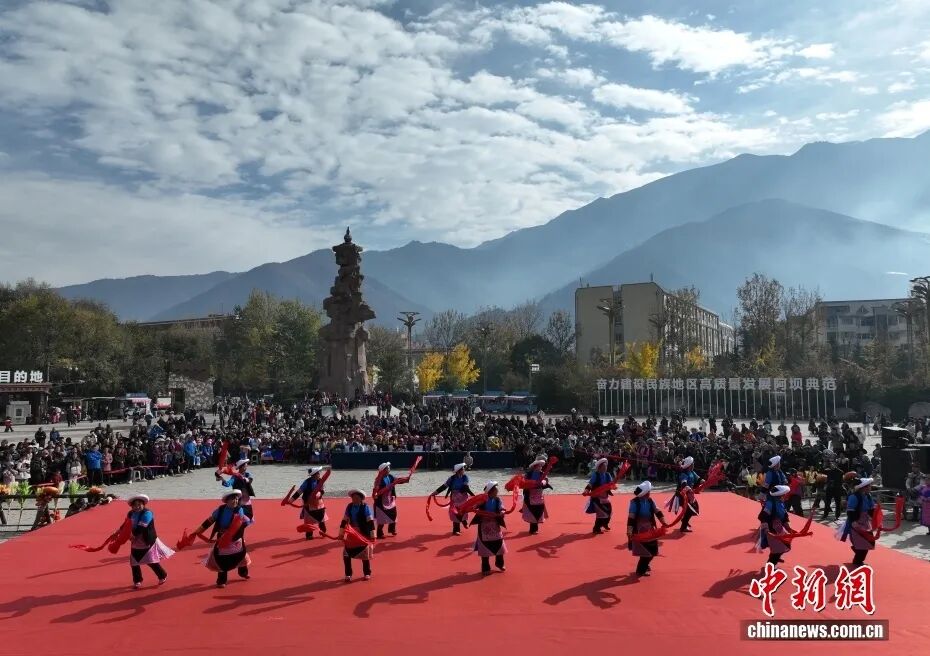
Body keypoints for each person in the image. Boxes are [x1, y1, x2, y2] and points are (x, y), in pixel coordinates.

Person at [197, 490, 252, 588]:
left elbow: (242, 523)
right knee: (221, 560)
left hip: (235, 538)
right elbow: (209, 521)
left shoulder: (239, 510)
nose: (235, 501)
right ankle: (221, 580)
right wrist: (199, 530)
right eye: (232, 499)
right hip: (222, 539)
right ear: (227, 501)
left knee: (241, 555)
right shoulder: (220, 510)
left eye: (236, 499)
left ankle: (243, 572)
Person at [125, 493, 172, 589]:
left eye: (139, 504)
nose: (137, 507)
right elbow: (125, 525)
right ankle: (137, 580)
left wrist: (132, 535)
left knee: (151, 561)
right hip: (135, 542)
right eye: (135, 505)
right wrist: (118, 532)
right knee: (134, 562)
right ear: (132, 506)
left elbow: (142, 526)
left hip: (147, 540)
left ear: (143, 504)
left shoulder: (147, 513)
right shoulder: (130, 514)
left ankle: (162, 575)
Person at [626, 481, 666, 577]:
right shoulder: (634, 503)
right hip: (639, 531)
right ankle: (640, 570)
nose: (649, 493)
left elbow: (657, 511)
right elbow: (631, 518)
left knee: (653, 550)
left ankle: (645, 564)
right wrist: (629, 531)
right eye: (648, 492)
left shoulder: (650, 501)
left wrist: (663, 522)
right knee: (645, 552)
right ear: (644, 493)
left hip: (650, 529)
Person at [840, 477, 876, 567]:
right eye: (869, 486)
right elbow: (850, 511)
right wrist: (853, 522)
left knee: (869, 542)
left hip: (865, 523)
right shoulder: (854, 497)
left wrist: (877, 519)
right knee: (861, 544)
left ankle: (857, 550)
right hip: (856, 523)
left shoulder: (868, 496)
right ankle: (857, 562)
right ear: (863, 487)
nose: (870, 487)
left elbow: (872, 509)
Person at [341, 489, 375, 582]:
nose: (354, 499)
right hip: (352, 533)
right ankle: (348, 575)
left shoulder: (365, 507)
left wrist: (373, 535)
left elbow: (370, 522)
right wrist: (341, 533)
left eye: (356, 498)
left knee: (365, 554)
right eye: (353, 498)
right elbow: (344, 520)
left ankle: (367, 573)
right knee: (346, 554)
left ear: (361, 499)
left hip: (363, 533)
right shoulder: (349, 506)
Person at [473, 481, 507, 575]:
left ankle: (499, 563)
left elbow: (502, 507)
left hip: (495, 525)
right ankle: (485, 568)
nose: (497, 490)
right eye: (496, 489)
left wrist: (502, 511)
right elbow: (474, 506)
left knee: (499, 544)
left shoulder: (497, 500)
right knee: (484, 546)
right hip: (484, 525)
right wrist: (473, 507)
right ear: (491, 491)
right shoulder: (482, 500)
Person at [432, 463, 475, 535]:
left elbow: (465, 487)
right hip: (454, 497)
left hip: (463, 496)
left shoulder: (465, 477)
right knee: (455, 512)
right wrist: (435, 492)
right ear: (458, 471)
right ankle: (456, 530)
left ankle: (464, 521)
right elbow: (444, 486)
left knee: (464, 510)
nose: (464, 470)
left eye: (464, 469)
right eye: (463, 469)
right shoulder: (451, 479)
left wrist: (472, 495)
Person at [289, 466, 330, 540]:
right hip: (308, 504)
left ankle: (323, 531)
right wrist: (291, 500)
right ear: (314, 475)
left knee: (321, 518)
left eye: (319, 473)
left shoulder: (320, 481)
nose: (319, 474)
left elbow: (322, 490)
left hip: (319, 504)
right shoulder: (306, 482)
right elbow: (299, 492)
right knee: (309, 521)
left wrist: (319, 494)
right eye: (318, 473)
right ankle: (309, 535)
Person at [758, 485, 792, 568]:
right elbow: (763, 516)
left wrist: (788, 526)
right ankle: (770, 566)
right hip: (771, 529)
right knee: (778, 548)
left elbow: (784, 516)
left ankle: (774, 558)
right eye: (785, 494)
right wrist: (766, 529)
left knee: (785, 545)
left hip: (778, 528)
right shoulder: (770, 504)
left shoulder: (780, 503)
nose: (787, 495)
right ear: (781, 495)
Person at [520, 458, 551, 535]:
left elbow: (546, 480)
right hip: (529, 494)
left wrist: (543, 483)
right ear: (535, 466)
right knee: (531, 510)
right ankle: (533, 529)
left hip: (538, 495)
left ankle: (535, 528)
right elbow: (524, 482)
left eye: (541, 466)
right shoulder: (529, 474)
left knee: (538, 510)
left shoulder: (542, 473)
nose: (540, 467)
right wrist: (529, 484)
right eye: (539, 466)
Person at [584, 458, 613, 534]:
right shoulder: (595, 475)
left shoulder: (608, 474)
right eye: (603, 467)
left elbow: (611, 484)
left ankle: (605, 523)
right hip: (596, 497)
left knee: (609, 511)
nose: (605, 468)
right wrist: (586, 490)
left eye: (606, 467)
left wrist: (613, 486)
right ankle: (596, 528)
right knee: (601, 513)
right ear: (599, 468)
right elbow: (590, 484)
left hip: (605, 497)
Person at [677, 456, 704, 533]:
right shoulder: (684, 474)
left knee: (694, 509)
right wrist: (688, 488)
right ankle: (683, 527)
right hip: (683, 495)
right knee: (689, 511)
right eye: (693, 463)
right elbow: (683, 484)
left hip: (690, 495)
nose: (694, 465)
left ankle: (684, 520)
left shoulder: (692, 472)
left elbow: (698, 479)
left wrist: (704, 482)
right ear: (689, 465)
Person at [372, 462, 399, 539]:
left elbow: (398, 481)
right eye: (387, 468)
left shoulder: (391, 476)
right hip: (380, 500)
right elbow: (375, 491)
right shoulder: (378, 479)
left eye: (389, 468)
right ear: (382, 470)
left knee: (394, 514)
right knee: (381, 517)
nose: (389, 469)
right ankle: (379, 533)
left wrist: (405, 479)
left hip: (390, 499)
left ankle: (392, 529)